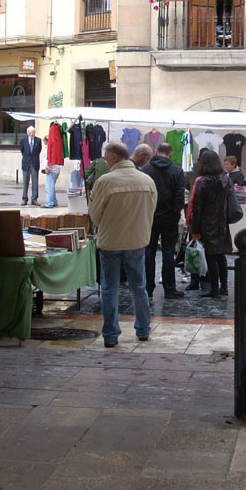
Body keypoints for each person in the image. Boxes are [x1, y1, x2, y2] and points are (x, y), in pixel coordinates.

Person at [88, 142, 157, 348]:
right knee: (139, 287)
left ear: (115, 158)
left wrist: (107, 224)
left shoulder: (105, 181)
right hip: (137, 240)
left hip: (111, 241)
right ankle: (143, 329)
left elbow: (94, 214)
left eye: (107, 159)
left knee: (109, 288)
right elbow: (150, 210)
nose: (106, 162)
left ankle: (110, 334)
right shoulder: (147, 180)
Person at [141, 142, 186, 298]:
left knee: (148, 252)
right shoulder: (177, 170)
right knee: (168, 252)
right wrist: (174, 214)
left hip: (149, 217)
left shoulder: (145, 170)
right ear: (171, 153)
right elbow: (180, 196)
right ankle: (169, 288)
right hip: (169, 219)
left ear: (155, 151)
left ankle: (147, 288)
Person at [190, 149, 234, 298]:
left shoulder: (203, 182)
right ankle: (224, 287)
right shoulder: (226, 179)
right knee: (221, 255)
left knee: (211, 256)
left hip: (207, 223)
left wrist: (194, 229)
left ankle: (214, 288)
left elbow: (198, 207)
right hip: (221, 222)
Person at [18, 125, 42, 206]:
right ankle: (24, 199)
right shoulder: (23, 140)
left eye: (33, 132)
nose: (32, 134)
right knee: (25, 182)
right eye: (31, 133)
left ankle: (34, 199)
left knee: (35, 182)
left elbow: (38, 151)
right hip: (26, 163)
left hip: (35, 163)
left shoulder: (38, 140)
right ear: (27, 133)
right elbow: (22, 150)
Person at [42, 121, 63, 208]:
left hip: (51, 168)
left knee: (49, 187)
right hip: (56, 168)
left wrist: (46, 167)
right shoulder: (58, 140)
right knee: (51, 186)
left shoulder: (51, 144)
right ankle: (54, 201)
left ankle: (49, 202)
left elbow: (48, 157)